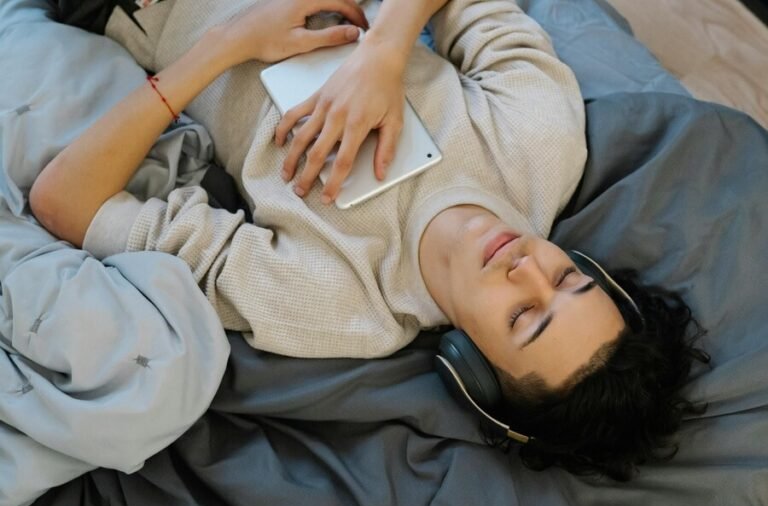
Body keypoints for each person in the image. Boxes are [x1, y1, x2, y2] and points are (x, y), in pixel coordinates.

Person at [30, 0, 707, 480]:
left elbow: (67, 200)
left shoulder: (335, 303)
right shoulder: (542, 147)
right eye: (567, 279)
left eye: (523, 317)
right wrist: (387, 48)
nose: (525, 267)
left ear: (470, 364)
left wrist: (228, 42)